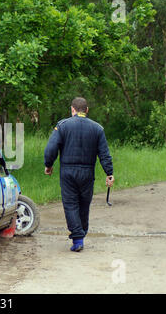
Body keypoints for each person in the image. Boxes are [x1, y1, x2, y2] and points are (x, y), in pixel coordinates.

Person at [44, 97, 114, 252]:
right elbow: (104, 154)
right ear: (87, 110)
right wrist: (109, 173)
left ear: (72, 109)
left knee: (70, 204)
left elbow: (51, 148)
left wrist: (48, 164)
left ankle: (78, 238)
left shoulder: (62, 126)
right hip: (87, 172)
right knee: (84, 204)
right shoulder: (97, 129)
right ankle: (81, 233)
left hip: (68, 172)